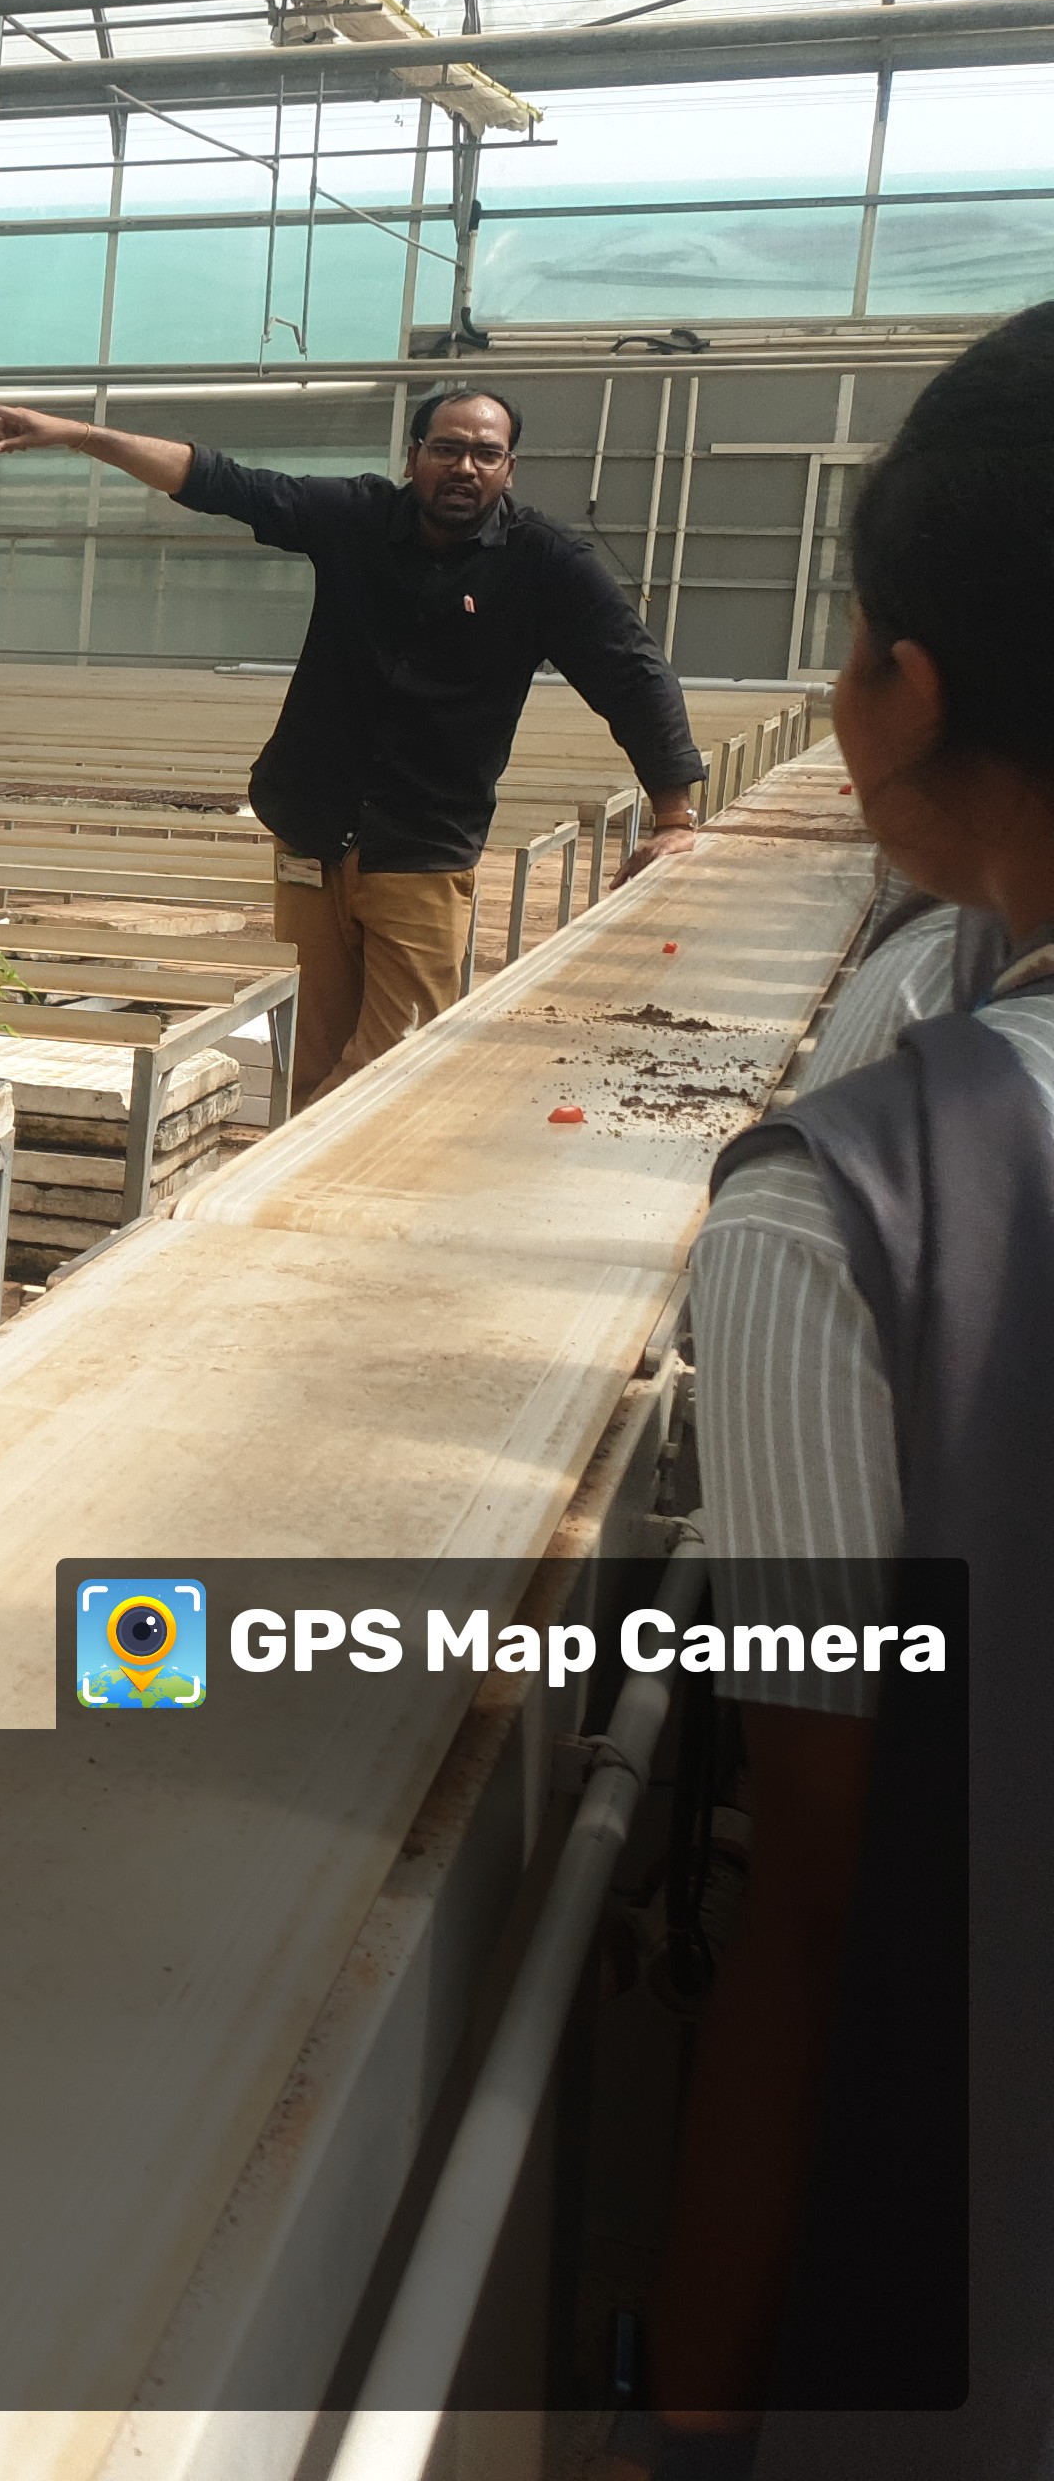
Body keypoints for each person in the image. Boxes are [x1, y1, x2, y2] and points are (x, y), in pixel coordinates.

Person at [612, 300, 1054, 2481]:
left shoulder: (846, 1206)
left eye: (854, 641)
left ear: (914, 691)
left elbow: (822, 1897)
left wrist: (682, 2415)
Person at [0, 387, 706, 1098]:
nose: (465, 467)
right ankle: (295, 1174)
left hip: (422, 845)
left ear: (509, 469)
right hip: (312, 831)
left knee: (402, 1057)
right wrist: (80, 436)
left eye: (487, 454)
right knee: (312, 1055)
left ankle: (327, 1161)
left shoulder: (544, 563)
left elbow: (631, 673)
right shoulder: (356, 518)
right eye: (447, 449)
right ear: (413, 457)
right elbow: (220, 481)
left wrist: (673, 816)